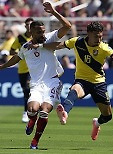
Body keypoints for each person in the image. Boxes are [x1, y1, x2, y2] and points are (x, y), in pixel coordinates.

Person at [42, 21, 113, 140]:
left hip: (98, 83)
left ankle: (97, 123)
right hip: (82, 80)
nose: (99, 38)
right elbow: (59, 45)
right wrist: (41, 46)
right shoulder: (77, 42)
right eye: (96, 36)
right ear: (89, 34)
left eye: (101, 36)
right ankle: (64, 112)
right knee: (74, 90)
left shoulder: (103, 47)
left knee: (107, 116)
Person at [0, 2, 71, 149]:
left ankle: (35, 141)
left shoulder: (50, 38)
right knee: (32, 109)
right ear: (31, 32)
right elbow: (16, 58)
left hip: (53, 82)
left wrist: (53, 12)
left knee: (44, 111)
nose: (42, 34)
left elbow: (67, 26)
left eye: (43, 31)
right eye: (39, 32)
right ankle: (32, 120)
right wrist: (3, 66)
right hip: (36, 84)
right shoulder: (26, 47)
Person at [10, 17, 34, 123]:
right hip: (22, 70)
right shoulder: (20, 38)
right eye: (27, 25)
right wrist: (20, 54)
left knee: (31, 91)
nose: (29, 27)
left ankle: (28, 112)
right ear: (25, 26)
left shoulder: (37, 37)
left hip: (34, 70)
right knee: (26, 92)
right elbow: (11, 51)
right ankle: (27, 112)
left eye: (31, 24)